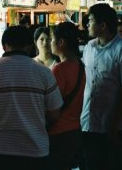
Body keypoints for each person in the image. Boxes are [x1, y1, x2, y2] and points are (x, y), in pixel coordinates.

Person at [0, 26, 63, 170]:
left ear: (3, 46)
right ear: (30, 46)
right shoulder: (45, 73)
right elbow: (55, 114)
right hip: (35, 151)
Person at [81, 4, 122, 170]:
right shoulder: (89, 47)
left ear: (103, 25)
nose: (87, 25)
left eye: (90, 21)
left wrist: (114, 123)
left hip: (115, 127)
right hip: (89, 122)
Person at [49, 22, 86, 170]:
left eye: (52, 39)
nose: (50, 43)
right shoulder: (81, 65)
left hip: (58, 133)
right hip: (75, 130)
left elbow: (52, 105)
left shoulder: (59, 70)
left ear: (61, 42)